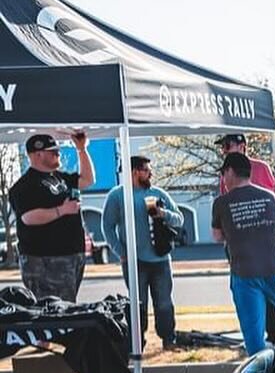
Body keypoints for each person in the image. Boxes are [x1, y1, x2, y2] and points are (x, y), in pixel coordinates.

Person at [212, 152, 275, 355]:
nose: (223, 179)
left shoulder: (221, 203)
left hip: (244, 273)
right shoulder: (270, 196)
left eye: (223, 173)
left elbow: (218, 236)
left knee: (253, 332)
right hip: (274, 267)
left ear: (230, 171)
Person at [102, 155, 183, 350]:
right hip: (133, 261)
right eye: (146, 170)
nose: (150, 174)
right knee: (138, 305)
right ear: (134, 172)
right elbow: (107, 226)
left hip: (161, 259)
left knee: (164, 302)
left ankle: (168, 339)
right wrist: (121, 252)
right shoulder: (117, 196)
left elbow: (179, 219)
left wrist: (163, 214)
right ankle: (137, 342)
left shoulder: (158, 193)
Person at [9, 131, 96, 302]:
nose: (58, 154)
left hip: (71, 254)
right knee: (52, 310)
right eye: (52, 151)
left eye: (57, 150)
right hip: (45, 259)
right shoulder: (24, 185)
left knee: (68, 306)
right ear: (37, 154)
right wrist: (61, 210)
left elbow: (87, 180)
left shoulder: (60, 177)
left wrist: (81, 150)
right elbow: (29, 217)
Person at [218, 133, 275, 343]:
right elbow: (223, 205)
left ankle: (272, 334)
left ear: (242, 146)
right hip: (238, 243)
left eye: (227, 145)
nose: (224, 150)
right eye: (223, 147)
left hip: (262, 239)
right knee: (246, 290)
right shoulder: (225, 174)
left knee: (269, 284)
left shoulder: (261, 168)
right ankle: (255, 337)